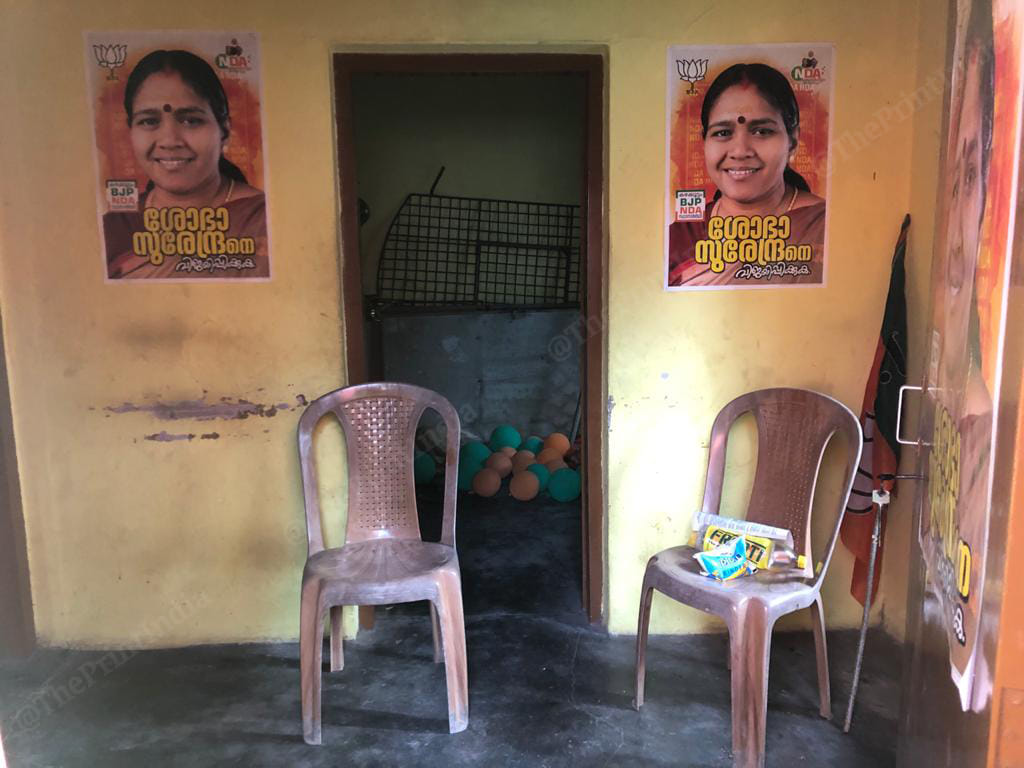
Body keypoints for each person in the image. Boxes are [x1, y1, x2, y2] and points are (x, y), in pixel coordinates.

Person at [102, 49, 268, 279]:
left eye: (191, 120)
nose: (170, 141)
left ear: (225, 131)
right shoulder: (115, 228)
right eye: (149, 121)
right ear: (131, 132)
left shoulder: (262, 220)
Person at [667, 63, 825, 287]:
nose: (740, 151)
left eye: (762, 131)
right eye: (722, 133)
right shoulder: (680, 238)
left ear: (792, 141)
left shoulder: (823, 226)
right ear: (704, 142)